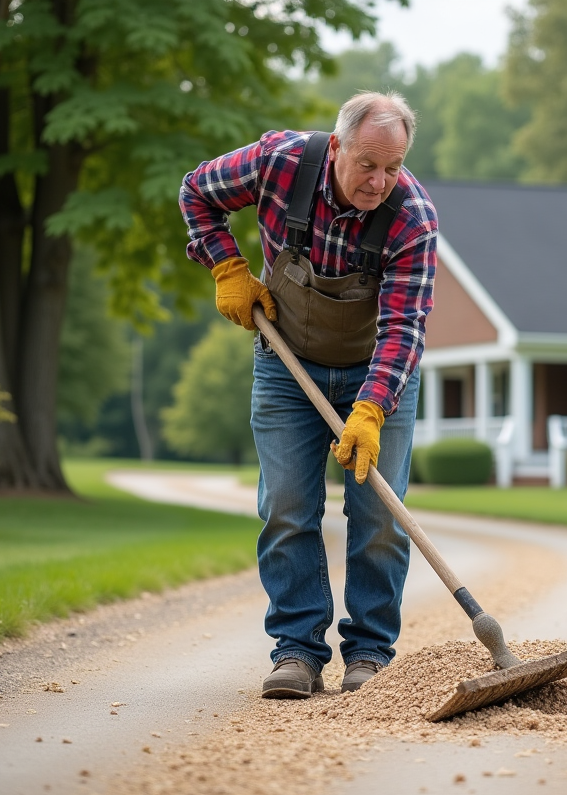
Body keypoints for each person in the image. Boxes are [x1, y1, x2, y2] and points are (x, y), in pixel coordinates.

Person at [178, 91, 437, 698]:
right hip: (286, 366)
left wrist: (370, 409)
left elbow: (404, 330)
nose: (379, 182)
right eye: (368, 164)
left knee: (379, 518)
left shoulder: (412, 218)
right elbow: (196, 192)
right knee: (288, 509)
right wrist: (226, 266)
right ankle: (297, 651)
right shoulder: (280, 162)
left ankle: (369, 655)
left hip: (377, 375)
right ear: (339, 145)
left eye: (393, 168)